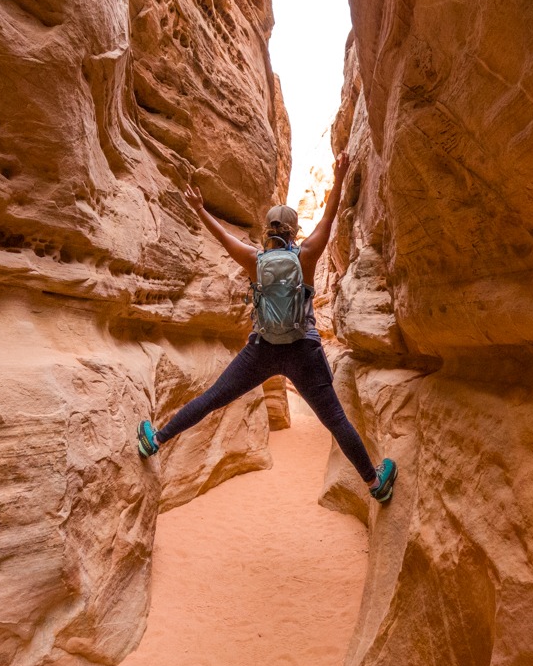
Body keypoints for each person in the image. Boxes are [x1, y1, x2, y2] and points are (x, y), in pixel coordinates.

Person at [137, 152, 397, 504]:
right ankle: (374, 483)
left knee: (213, 397)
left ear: (268, 230)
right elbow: (329, 217)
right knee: (335, 419)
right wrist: (340, 176)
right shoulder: (306, 256)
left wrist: (199, 208)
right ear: (292, 229)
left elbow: (222, 236)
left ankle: (157, 439)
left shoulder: (253, 260)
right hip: (303, 350)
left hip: (261, 350)